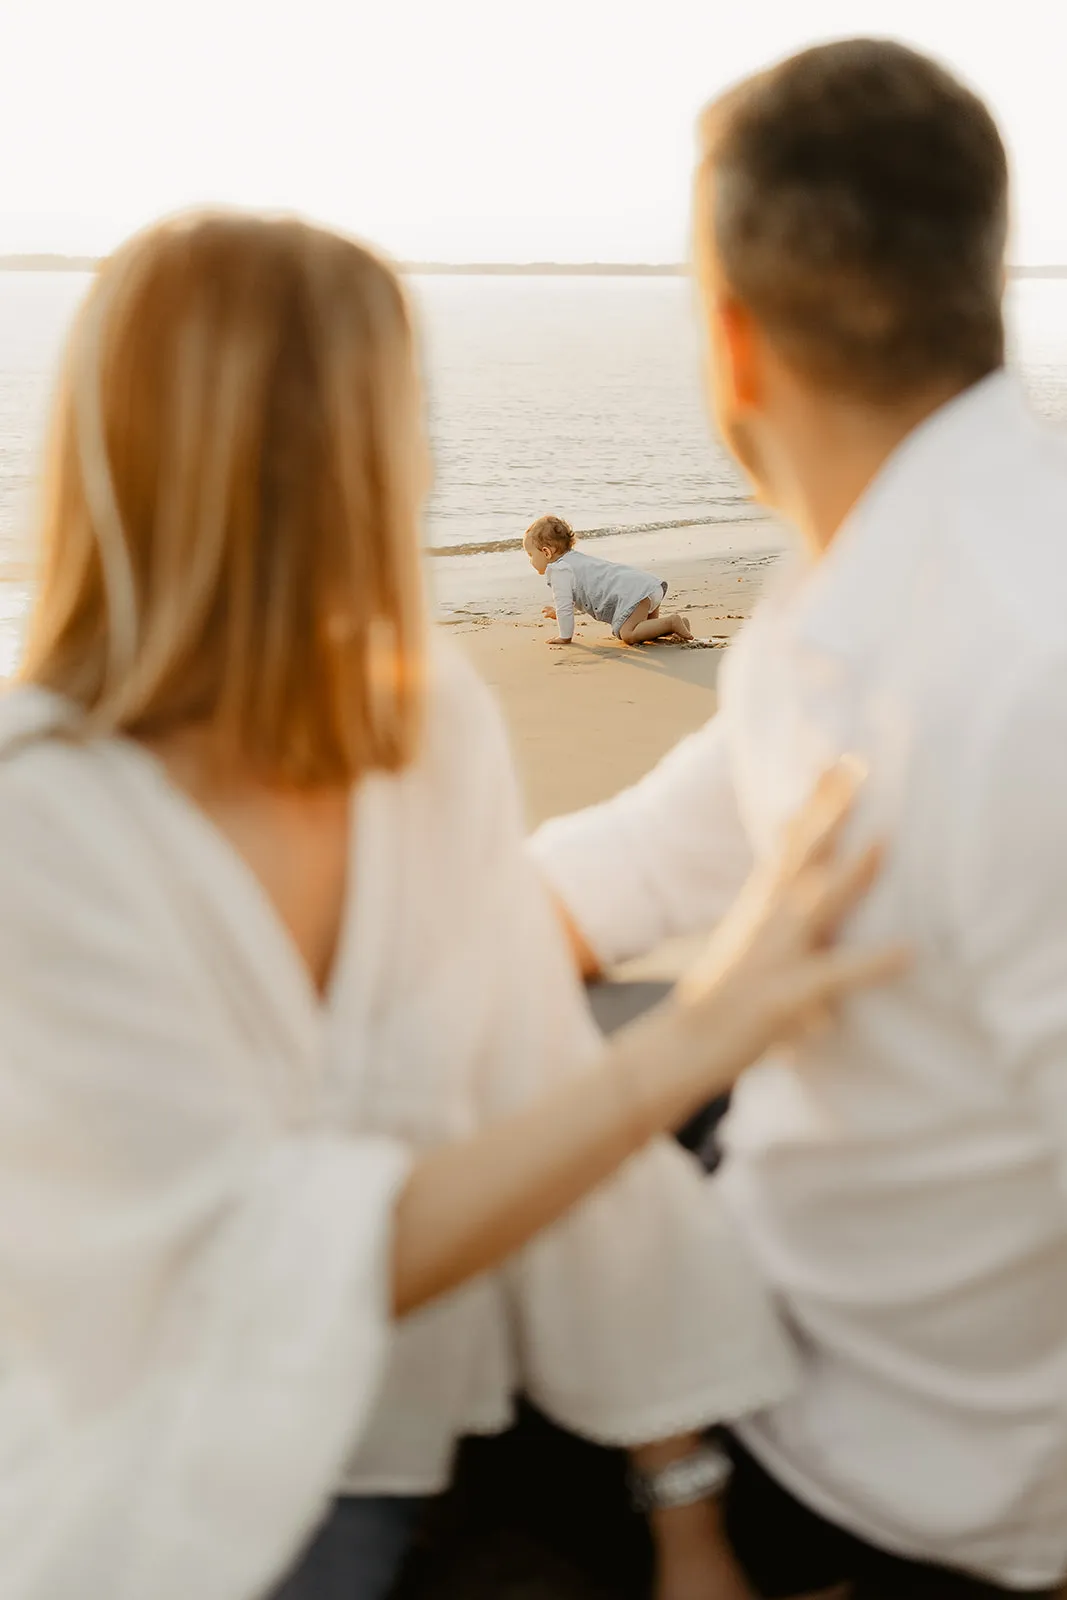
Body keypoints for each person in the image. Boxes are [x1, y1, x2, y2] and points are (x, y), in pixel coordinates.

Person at [0, 211, 899, 1600]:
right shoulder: (43, 822)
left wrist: (685, 1510)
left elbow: (532, 1094)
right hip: (161, 1509)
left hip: (424, 1431)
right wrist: (700, 1029)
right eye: (395, 416)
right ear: (324, 456)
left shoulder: (418, 734)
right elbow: (249, 1272)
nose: (421, 462)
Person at [531, 38, 1067, 1600]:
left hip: (893, 1465)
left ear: (730, 342)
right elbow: (644, 855)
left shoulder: (1004, 666)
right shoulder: (876, 576)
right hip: (812, 1294)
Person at [524, 513, 693, 645]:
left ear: (546, 552)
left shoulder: (559, 570)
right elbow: (579, 597)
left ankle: (672, 622)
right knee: (645, 633)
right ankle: (675, 626)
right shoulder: (574, 561)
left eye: (530, 555)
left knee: (628, 634)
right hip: (644, 587)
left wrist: (564, 637)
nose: (530, 560)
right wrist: (558, 612)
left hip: (632, 595)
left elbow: (564, 608)